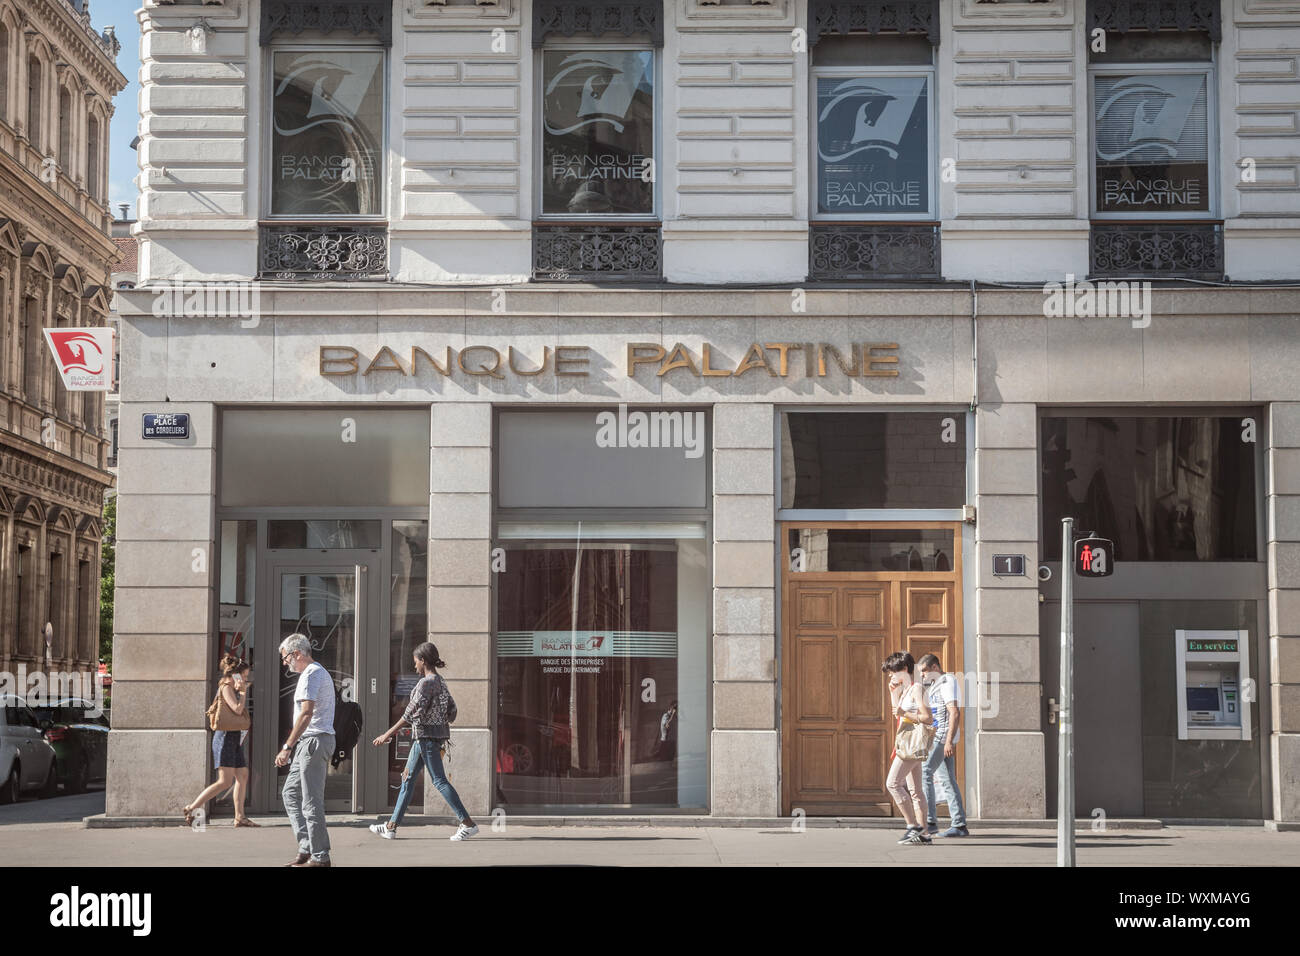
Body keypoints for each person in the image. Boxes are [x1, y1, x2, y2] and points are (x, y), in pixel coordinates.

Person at [369, 642, 478, 842]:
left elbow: (409, 714)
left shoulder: (426, 683)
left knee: (438, 780)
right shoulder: (441, 681)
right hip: (430, 738)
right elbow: (452, 711)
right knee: (407, 779)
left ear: (423, 660)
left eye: (416, 662)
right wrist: (438, 720)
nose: (415, 666)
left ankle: (468, 824)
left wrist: (387, 734)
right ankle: (391, 827)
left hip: (425, 739)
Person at [277, 634, 336, 867]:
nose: (285, 663)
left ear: (297, 654)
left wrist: (287, 746)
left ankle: (320, 856)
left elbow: (306, 713)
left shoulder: (311, 674)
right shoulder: (313, 673)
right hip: (309, 742)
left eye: (285, 658)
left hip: (313, 741)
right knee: (290, 793)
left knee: (311, 802)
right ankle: (307, 846)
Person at [183, 655, 259, 827]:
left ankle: (240, 817)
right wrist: (243, 691)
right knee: (224, 782)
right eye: (244, 676)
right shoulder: (226, 687)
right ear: (236, 675)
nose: (246, 679)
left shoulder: (231, 687)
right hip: (225, 737)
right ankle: (192, 808)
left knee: (242, 775)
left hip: (233, 736)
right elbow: (238, 710)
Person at [881, 651, 934, 845]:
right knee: (915, 791)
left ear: (904, 669)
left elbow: (928, 718)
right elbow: (898, 715)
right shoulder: (907, 689)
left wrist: (906, 713)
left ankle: (913, 827)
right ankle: (925, 834)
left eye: (892, 672)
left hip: (912, 743)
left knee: (893, 783)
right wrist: (893, 692)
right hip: (907, 742)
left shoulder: (917, 688)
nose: (890, 676)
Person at [919, 654, 969, 838]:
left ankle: (930, 822)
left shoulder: (947, 681)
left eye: (924, 671)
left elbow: (954, 712)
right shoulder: (936, 685)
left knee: (925, 772)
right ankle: (959, 824)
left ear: (934, 668)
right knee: (948, 780)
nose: (922, 675)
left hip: (942, 738)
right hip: (938, 738)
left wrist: (948, 741)